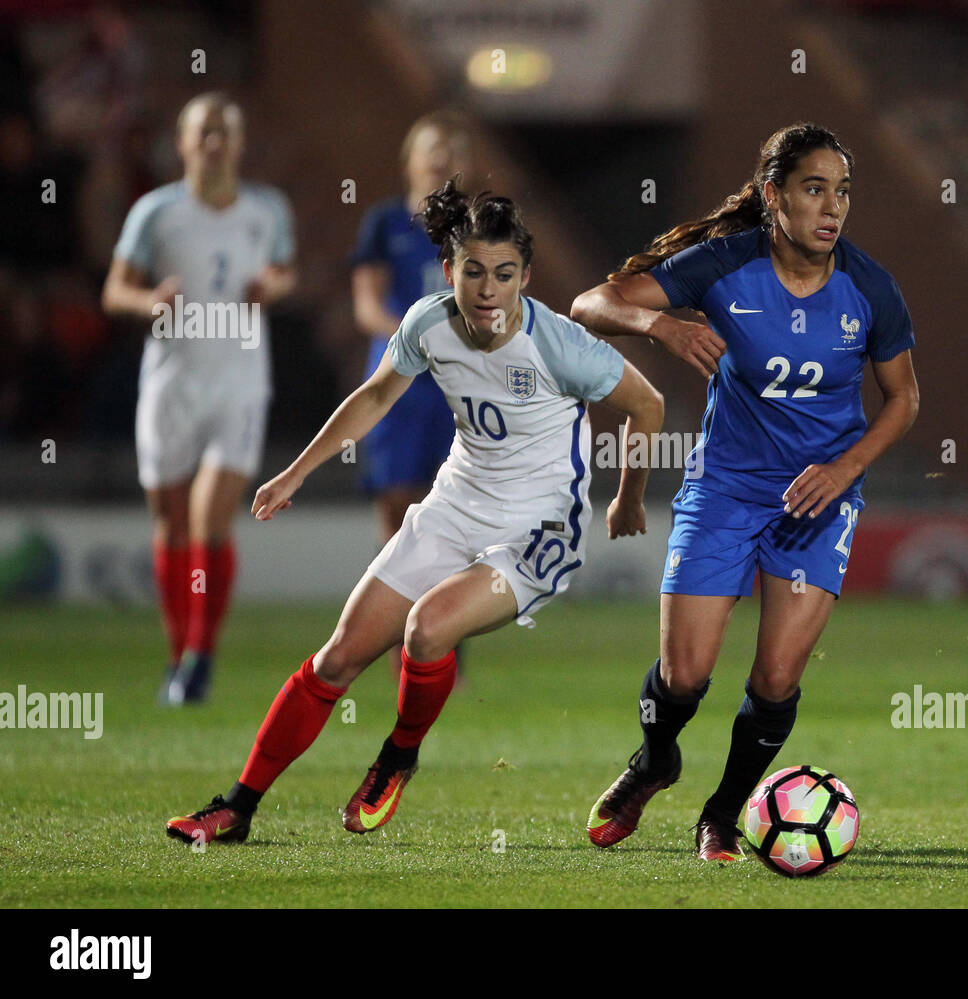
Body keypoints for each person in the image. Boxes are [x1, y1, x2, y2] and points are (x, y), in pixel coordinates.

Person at [165, 181, 664, 843]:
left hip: (537, 530)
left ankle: (397, 755)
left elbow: (648, 403)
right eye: (475, 273)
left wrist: (628, 494)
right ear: (450, 270)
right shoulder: (429, 322)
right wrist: (296, 472)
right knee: (338, 656)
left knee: (427, 628)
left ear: (526, 277)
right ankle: (237, 807)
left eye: (505, 275)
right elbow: (374, 398)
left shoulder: (559, 343)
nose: (489, 290)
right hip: (454, 505)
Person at [572, 122, 919, 862]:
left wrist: (844, 469)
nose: (833, 208)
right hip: (725, 487)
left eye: (843, 191)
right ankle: (655, 760)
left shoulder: (871, 288)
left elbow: (903, 400)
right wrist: (657, 322)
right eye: (814, 189)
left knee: (776, 676)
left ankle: (725, 812)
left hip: (817, 502)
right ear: (773, 196)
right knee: (685, 674)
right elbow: (588, 304)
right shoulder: (725, 265)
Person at [101, 92, 296, 705]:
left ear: (239, 144)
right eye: (203, 132)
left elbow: (285, 271)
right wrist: (148, 300)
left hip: (239, 381)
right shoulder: (156, 213)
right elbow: (114, 291)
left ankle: (200, 657)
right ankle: (177, 655)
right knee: (172, 522)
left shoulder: (266, 210)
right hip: (171, 381)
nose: (214, 143)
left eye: (225, 132)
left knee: (212, 518)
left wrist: (273, 286)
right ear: (182, 143)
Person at [351, 112, 475, 679]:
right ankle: (401, 627)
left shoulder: (478, 226)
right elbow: (367, 307)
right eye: (430, 149)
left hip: (459, 383)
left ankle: (447, 633)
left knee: (453, 505)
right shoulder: (384, 224)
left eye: (449, 150)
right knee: (398, 506)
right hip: (400, 381)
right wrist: (412, 335)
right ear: (410, 160)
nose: (440, 159)